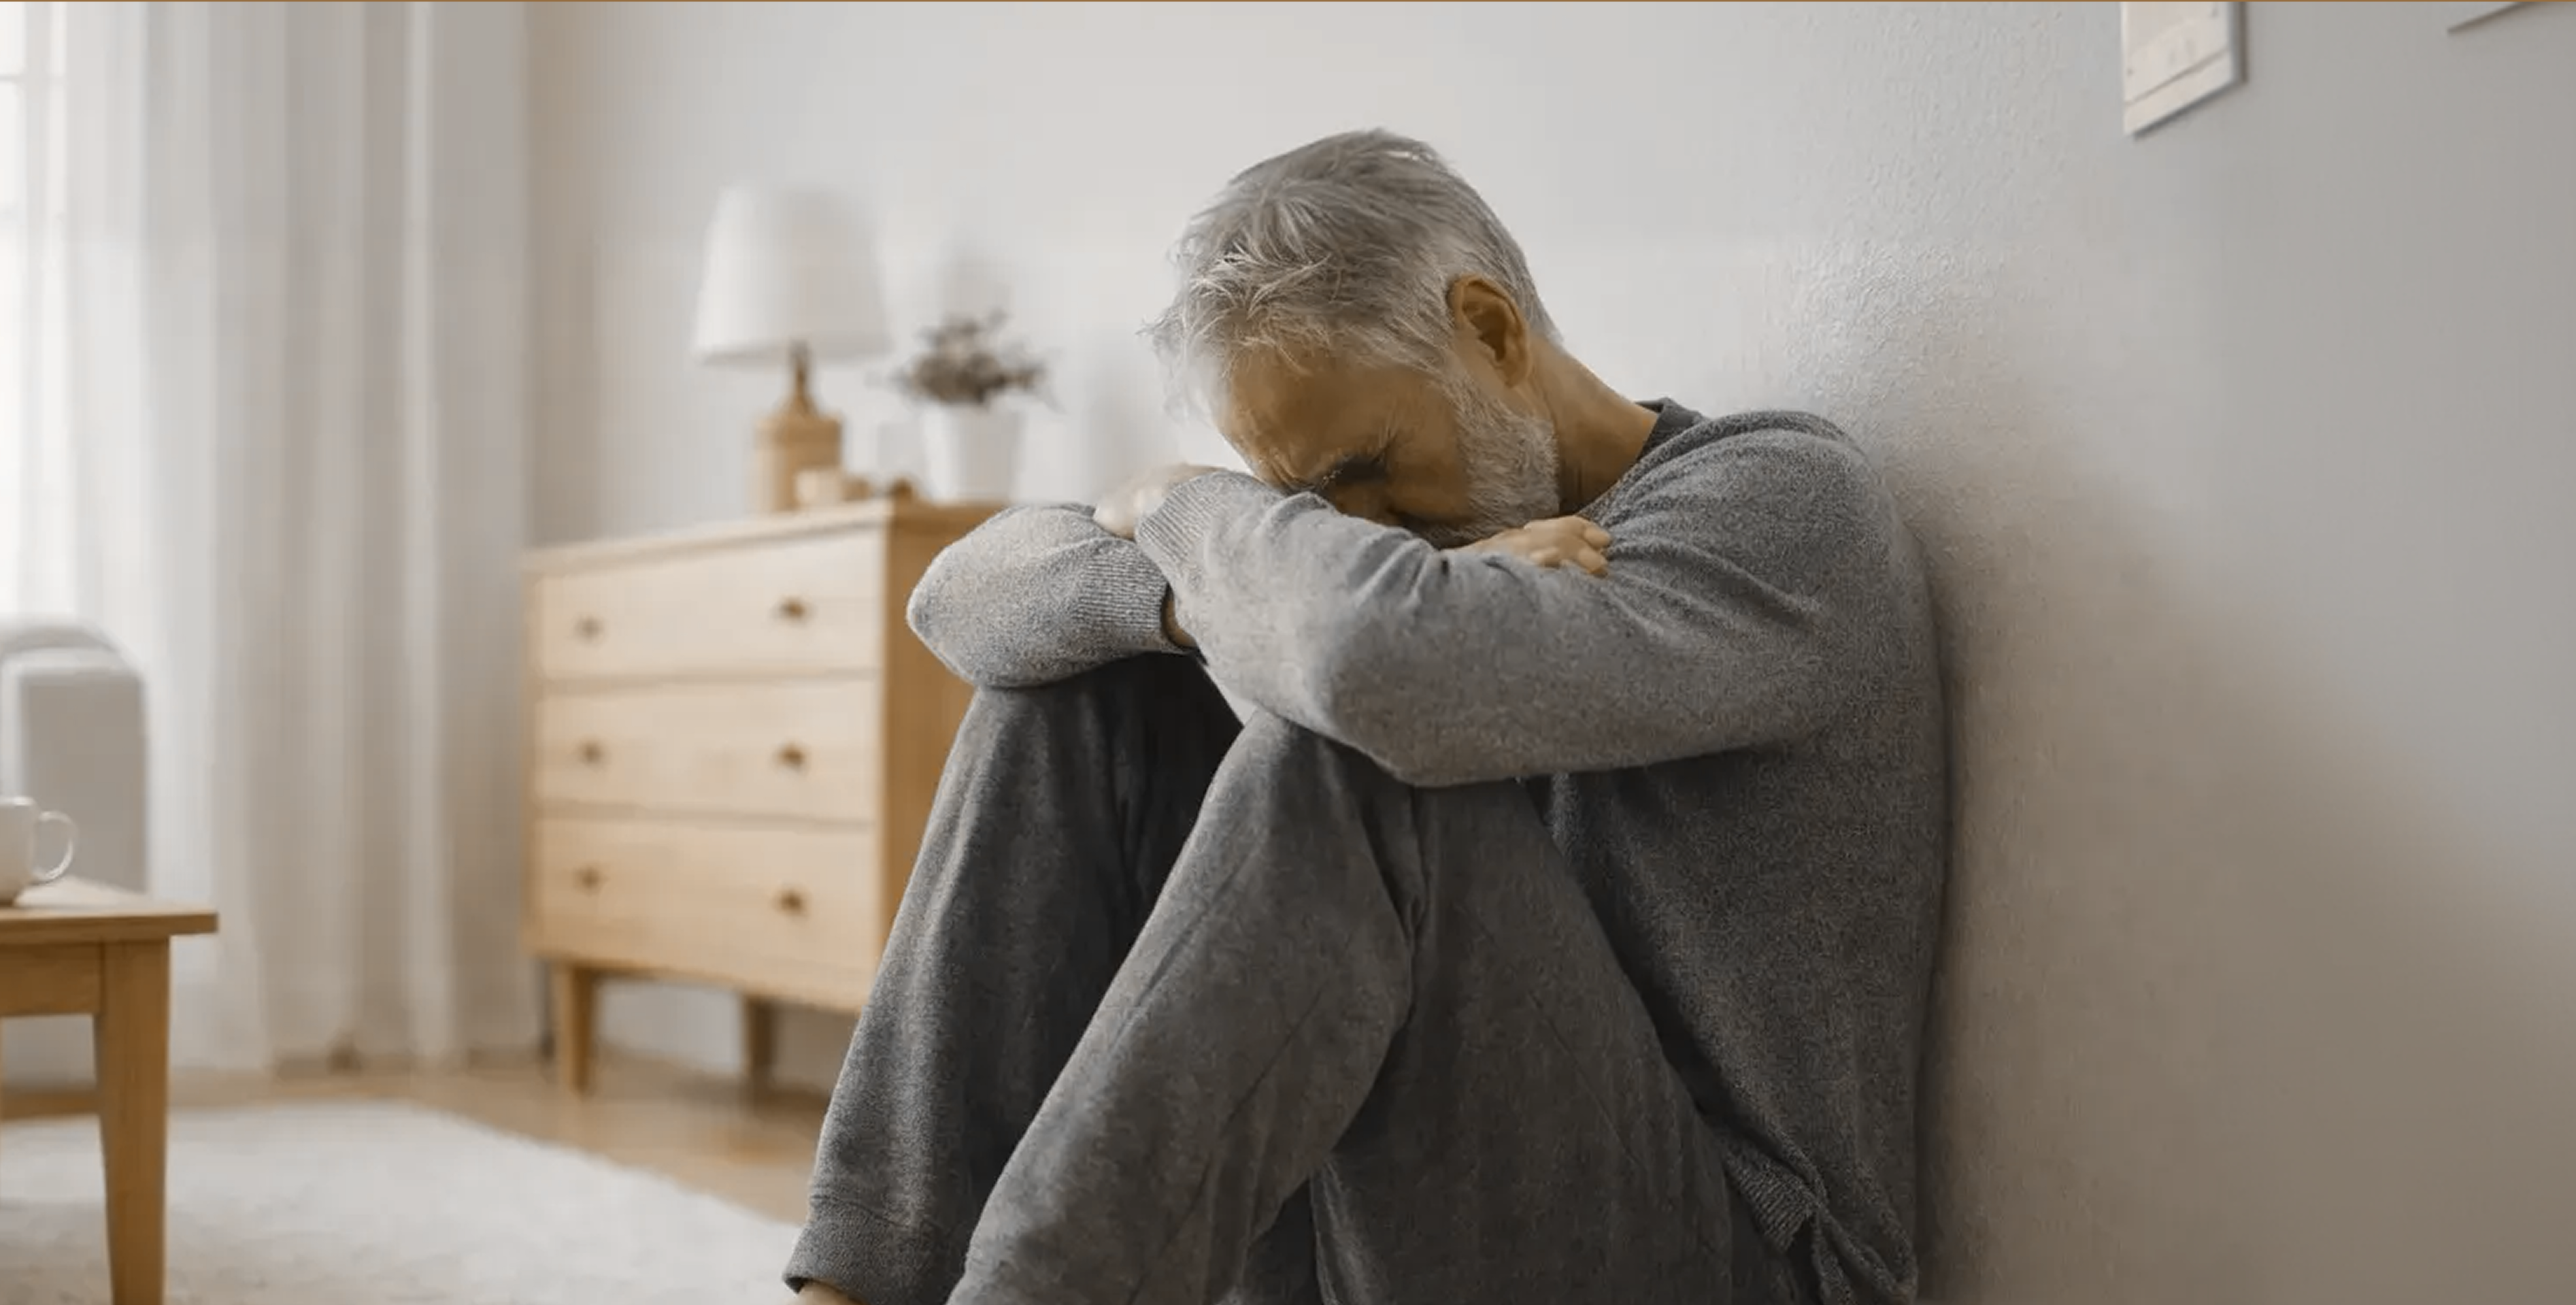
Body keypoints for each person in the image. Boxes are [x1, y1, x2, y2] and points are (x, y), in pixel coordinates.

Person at [782, 129, 1948, 1305]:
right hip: (1397, 1220)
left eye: (1371, 467)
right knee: (1089, 684)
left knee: (1351, 757)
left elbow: (1372, 669)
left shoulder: (1779, 504)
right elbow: (958, 603)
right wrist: (1182, 596)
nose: (1357, 532)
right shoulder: (1388, 577)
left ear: (1490, 329)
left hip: (1731, 1259)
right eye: (1304, 503)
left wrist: (1182, 499)